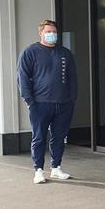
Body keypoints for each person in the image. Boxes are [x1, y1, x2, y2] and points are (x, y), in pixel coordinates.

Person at [17, 20, 77, 184]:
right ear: (41, 33)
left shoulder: (65, 53)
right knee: (39, 137)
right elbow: (22, 78)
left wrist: (71, 100)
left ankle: (56, 168)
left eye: (54, 32)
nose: (52, 35)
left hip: (63, 104)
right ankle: (38, 170)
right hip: (40, 104)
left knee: (59, 137)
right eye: (48, 31)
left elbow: (72, 78)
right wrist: (29, 100)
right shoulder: (30, 52)